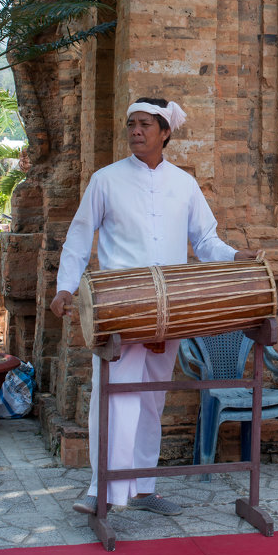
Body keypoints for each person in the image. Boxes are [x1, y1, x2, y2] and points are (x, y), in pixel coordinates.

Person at [51, 97, 257, 516]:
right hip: (120, 304)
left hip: (171, 308)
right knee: (113, 395)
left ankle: (144, 488)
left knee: (152, 399)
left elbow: (204, 242)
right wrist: (65, 287)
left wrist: (236, 257)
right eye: (131, 124)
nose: (135, 131)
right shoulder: (105, 180)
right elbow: (80, 235)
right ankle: (101, 489)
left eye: (145, 124)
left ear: (165, 132)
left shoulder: (183, 184)